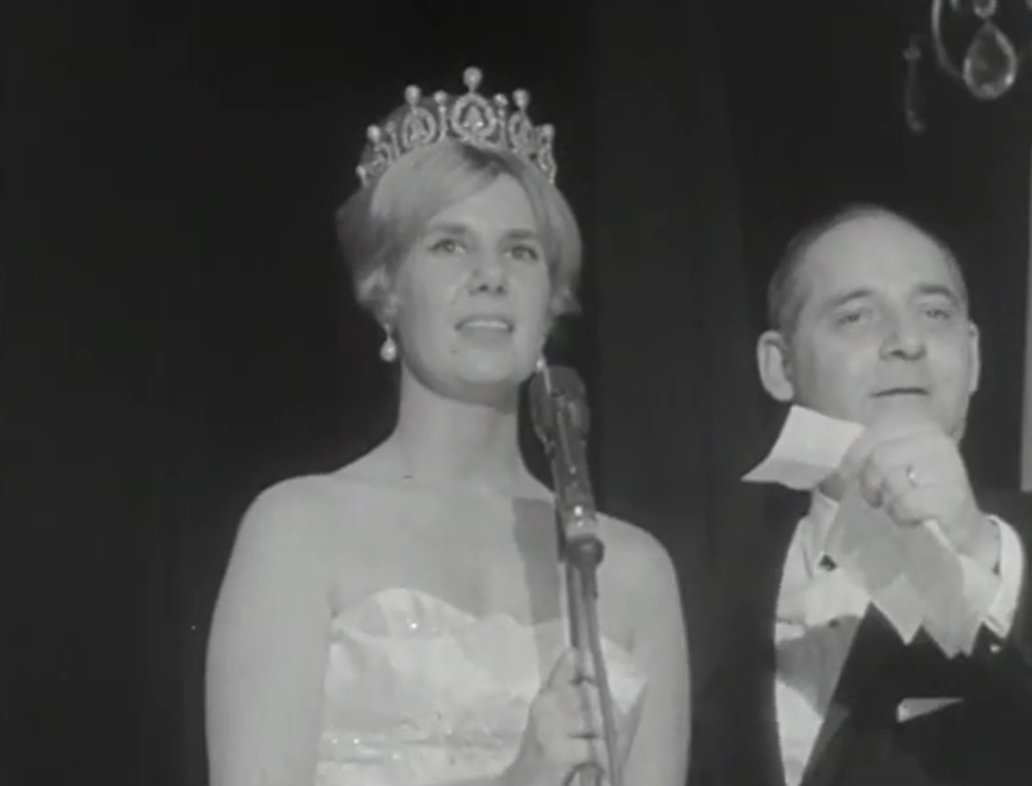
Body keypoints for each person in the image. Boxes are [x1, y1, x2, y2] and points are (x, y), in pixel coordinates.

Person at [204, 67, 690, 786]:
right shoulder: (298, 530)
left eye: (521, 251)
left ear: (551, 301)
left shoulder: (630, 569)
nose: (490, 274)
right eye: (449, 245)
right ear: (385, 291)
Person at [692, 204, 1032, 786]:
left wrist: (975, 550)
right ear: (779, 366)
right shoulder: (695, 589)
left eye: (934, 312)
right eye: (856, 317)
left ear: (973, 357)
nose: (907, 341)